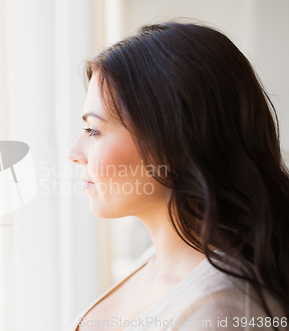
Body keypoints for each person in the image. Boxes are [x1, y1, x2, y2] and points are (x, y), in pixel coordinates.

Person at [67, 21, 289, 331]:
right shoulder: (157, 262)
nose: (75, 152)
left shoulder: (219, 311)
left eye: (94, 130)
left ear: (171, 140)